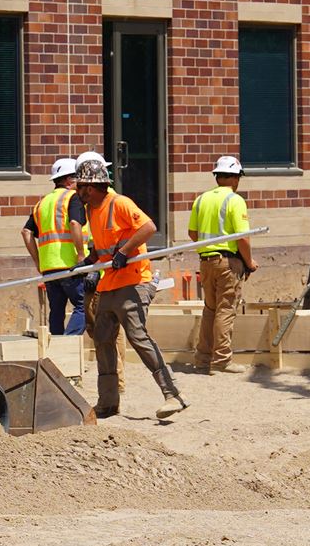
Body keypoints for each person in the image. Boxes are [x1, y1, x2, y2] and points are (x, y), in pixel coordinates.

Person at [71, 154, 184, 421]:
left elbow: (148, 227)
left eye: (80, 186)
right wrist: (90, 260)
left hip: (134, 282)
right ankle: (108, 403)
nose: (78, 192)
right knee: (102, 339)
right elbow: (102, 246)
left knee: (137, 336)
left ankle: (173, 395)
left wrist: (124, 251)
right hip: (109, 283)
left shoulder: (119, 203)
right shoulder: (91, 210)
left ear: (91, 186)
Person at [185, 156, 257, 372]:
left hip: (206, 262)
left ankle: (203, 358)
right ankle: (222, 360)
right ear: (236, 178)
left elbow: (192, 233)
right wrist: (249, 262)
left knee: (210, 309)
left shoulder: (201, 199)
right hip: (227, 262)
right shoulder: (235, 200)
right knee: (226, 309)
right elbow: (243, 237)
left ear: (217, 176)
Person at [21, 157, 91, 335]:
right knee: (84, 307)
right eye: (77, 178)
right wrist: (81, 255)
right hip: (70, 265)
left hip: (49, 268)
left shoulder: (41, 203)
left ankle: (56, 350)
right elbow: (75, 224)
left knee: (57, 311)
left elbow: (26, 233)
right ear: (68, 180)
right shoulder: (72, 198)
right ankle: (67, 344)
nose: (79, 182)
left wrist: (38, 262)